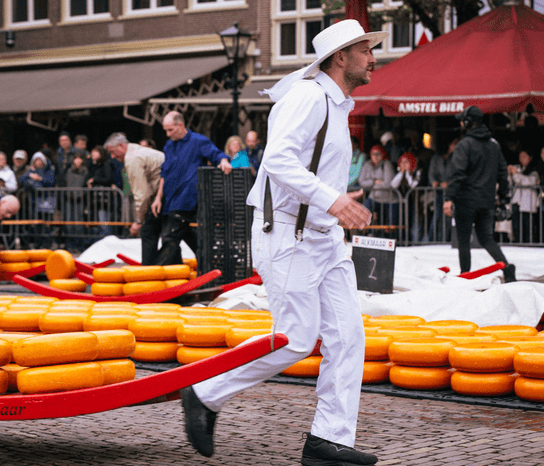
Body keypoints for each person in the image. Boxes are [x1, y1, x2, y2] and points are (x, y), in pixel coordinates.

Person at [180, 20, 385, 465]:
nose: (374, 57)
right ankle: (203, 393)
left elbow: (307, 169)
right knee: (295, 339)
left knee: (349, 337)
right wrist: (333, 200)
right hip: (289, 234)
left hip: (322, 238)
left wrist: (334, 202)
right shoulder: (310, 97)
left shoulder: (335, 103)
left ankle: (328, 441)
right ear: (341, 57)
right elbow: (276, 159)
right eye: (366, 50)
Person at [443, 105, 516, 282]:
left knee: (463, 241)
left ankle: (465, 276)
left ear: (468, 122)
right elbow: (502, 173)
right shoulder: (494, 145)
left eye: (463, 120)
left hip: (466, 200)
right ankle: (506, 267)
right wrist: (504, 197)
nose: (461, 123)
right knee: (487, 239)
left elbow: (457, 175)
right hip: (486, 201)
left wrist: (448, 198)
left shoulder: (464, 145)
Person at [152, 111, 231, 265]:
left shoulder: (198, 141)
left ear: (180, 125)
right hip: (172, 200)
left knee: (170, 237)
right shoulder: (169, 145)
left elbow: (216, 154)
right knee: (189, 236)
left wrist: (223, 161)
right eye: (166, 130)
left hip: (187, 199)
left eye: (170, 130)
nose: (167, 134)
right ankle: (207, 264)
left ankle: (165, 271)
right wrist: (158, 198)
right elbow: (164, 173)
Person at [105, 133, 165, 264]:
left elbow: (142, 194)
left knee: (148, 231)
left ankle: (150, 269)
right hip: (168, 191)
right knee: (172, 232)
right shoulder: (136, 149)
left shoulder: (132, 158)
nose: (113, 157)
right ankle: (161, 264)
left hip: (167, 192)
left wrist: (138, 221)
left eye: (113, 152)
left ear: (121, 145)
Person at [20, 152, 56, 248]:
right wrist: (31, 179)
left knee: (46, 223)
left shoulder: (49, 170)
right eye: (36, 160)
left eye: (40, 160)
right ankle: (38, 243)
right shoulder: (31, 170)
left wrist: (39, 179)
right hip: (34, 201)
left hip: (46, 200)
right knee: (36, 224)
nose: (38, 162)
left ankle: (47, 244)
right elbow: (22, 179)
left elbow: (51, 182)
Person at [359, 144, 397, 232]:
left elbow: (388, 184)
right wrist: (374, 181)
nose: (375, 156)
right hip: (374, 198)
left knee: (391, 225)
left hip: (389, 199)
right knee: (365, 207)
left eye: (378, 154)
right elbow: (361, 182)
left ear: (382, 154)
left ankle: (394, 241)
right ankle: (369, 233)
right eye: (373, 154)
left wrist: (371, 184)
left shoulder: (387, 164)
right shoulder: (367, 165)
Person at [428, 138, 457, 241]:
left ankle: (446, 239)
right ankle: (432, 240)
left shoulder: (455, 157)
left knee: (449, 217)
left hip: (451, 191)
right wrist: (435, 183)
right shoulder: (436, 158)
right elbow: (431, 174)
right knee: (436, 216)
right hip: (439, 192)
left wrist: (449, 183)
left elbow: (458, 174)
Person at [508, 149, 540, 243]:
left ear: (530, 158)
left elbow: (526, 181)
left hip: (528, 204)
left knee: (528, 227)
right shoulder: (517, 168)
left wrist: (515, 174)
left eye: (524, 157)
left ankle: (529, 245)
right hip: (516, 202)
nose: (521, 159)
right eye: (520, 157)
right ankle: (517, 244)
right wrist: (509, 174)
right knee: (516, 227)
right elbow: (510, 183)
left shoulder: (534, 171)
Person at [86, 145, 115, 241]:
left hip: (104, 199)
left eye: (95, 152)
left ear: (101, 154)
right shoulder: (95, 165)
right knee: (98, 223)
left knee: (104, 223)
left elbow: (108, 179)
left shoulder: (106, 164)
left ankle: (107, 243)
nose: (92, 154)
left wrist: (94, 180)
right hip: (96, 199)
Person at [391, 152, 420, 241]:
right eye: (402, 162)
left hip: (415, 202)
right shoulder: (399, 173)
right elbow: (393, 185)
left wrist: (407, 174)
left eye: (406, 162)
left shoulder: (417, 172)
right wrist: (401, 173)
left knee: (413, 222)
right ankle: (401, 240)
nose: (403, 164)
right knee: (401, 221)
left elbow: (413, 185)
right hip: (402, 202)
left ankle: (412, 241)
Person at [65, 151, 89, 251]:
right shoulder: (68, 170)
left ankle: (79, 245)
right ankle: (70, 245)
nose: (77, 161)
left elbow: (85, 185)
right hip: (69, 198)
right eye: (76, 158)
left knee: (79, 222)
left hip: (80, 198)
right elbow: (65, 182)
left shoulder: (85, 171)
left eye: (80, 158)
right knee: (69, 222)